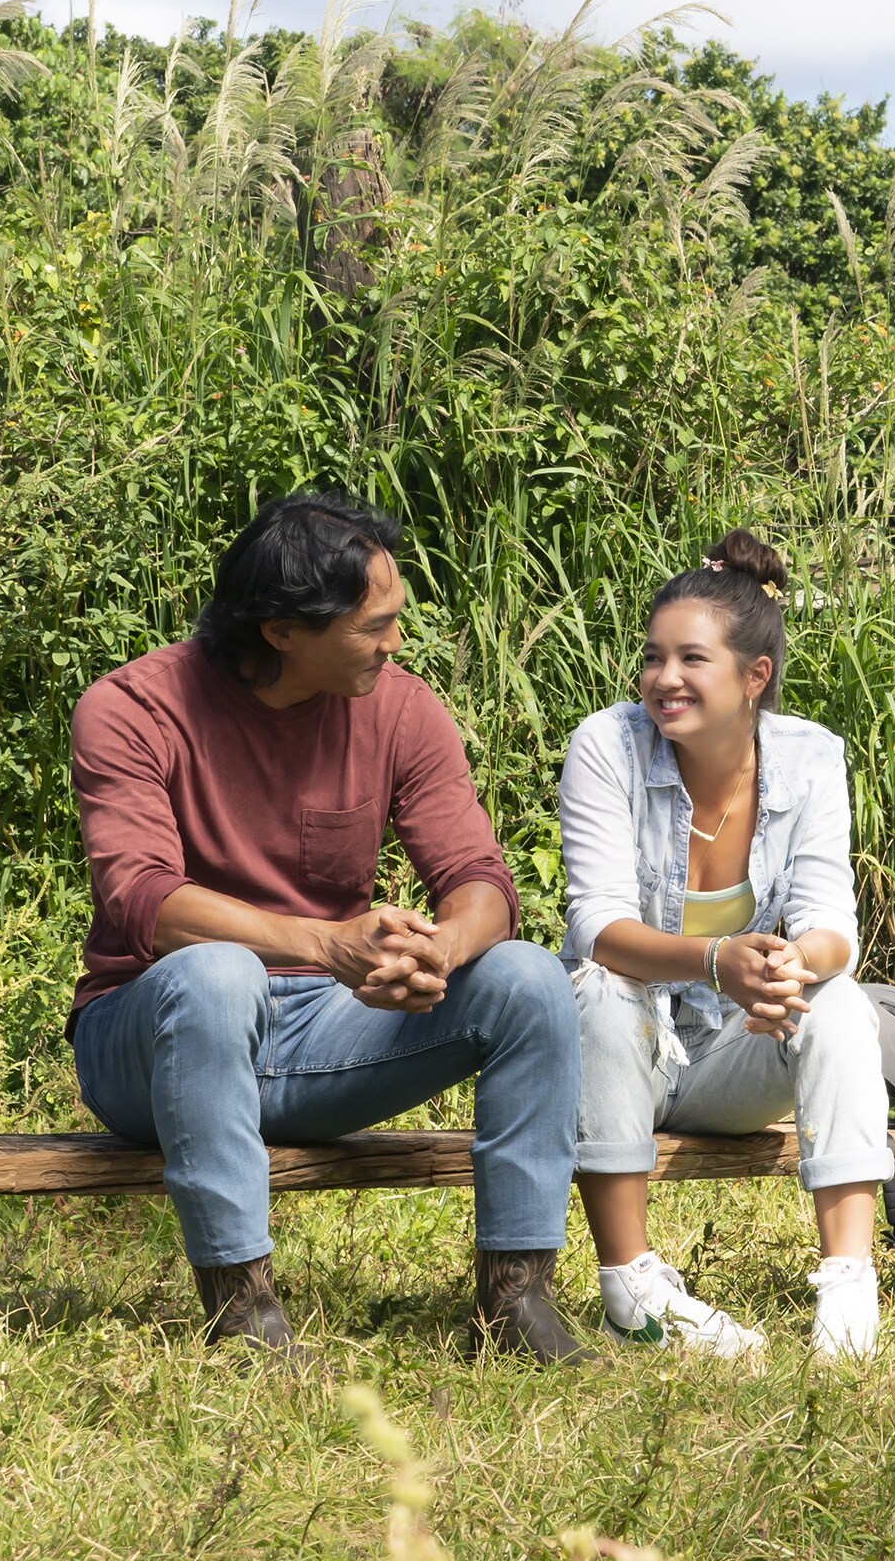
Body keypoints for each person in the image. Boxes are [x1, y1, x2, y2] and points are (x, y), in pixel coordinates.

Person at [67, 493, 591, 1364]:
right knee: (218, 974)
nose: (395, 644)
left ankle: (517, 1301)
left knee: (528, 978)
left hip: (321, 1034)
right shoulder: (133, 709)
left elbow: (480, 881)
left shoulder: (400, 707)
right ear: (280, 630)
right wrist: (327, 946)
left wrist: (442, 948)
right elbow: (143, 902)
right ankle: (242, 1310)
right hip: (149, 1038)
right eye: (372, 626)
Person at [559, 530, 894, 1360]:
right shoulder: (607, 746)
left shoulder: (812, 758)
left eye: (690, 660)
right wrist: (718, 960)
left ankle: (850, 1287)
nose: (663, 679)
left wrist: (790, 963)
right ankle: (631, 1286)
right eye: (652, 658)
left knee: (840, 1001)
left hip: (731, 1058)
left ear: (755, 677)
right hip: (619, 1058)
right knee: (598, 985)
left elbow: (832, 927)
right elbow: (594, 927)